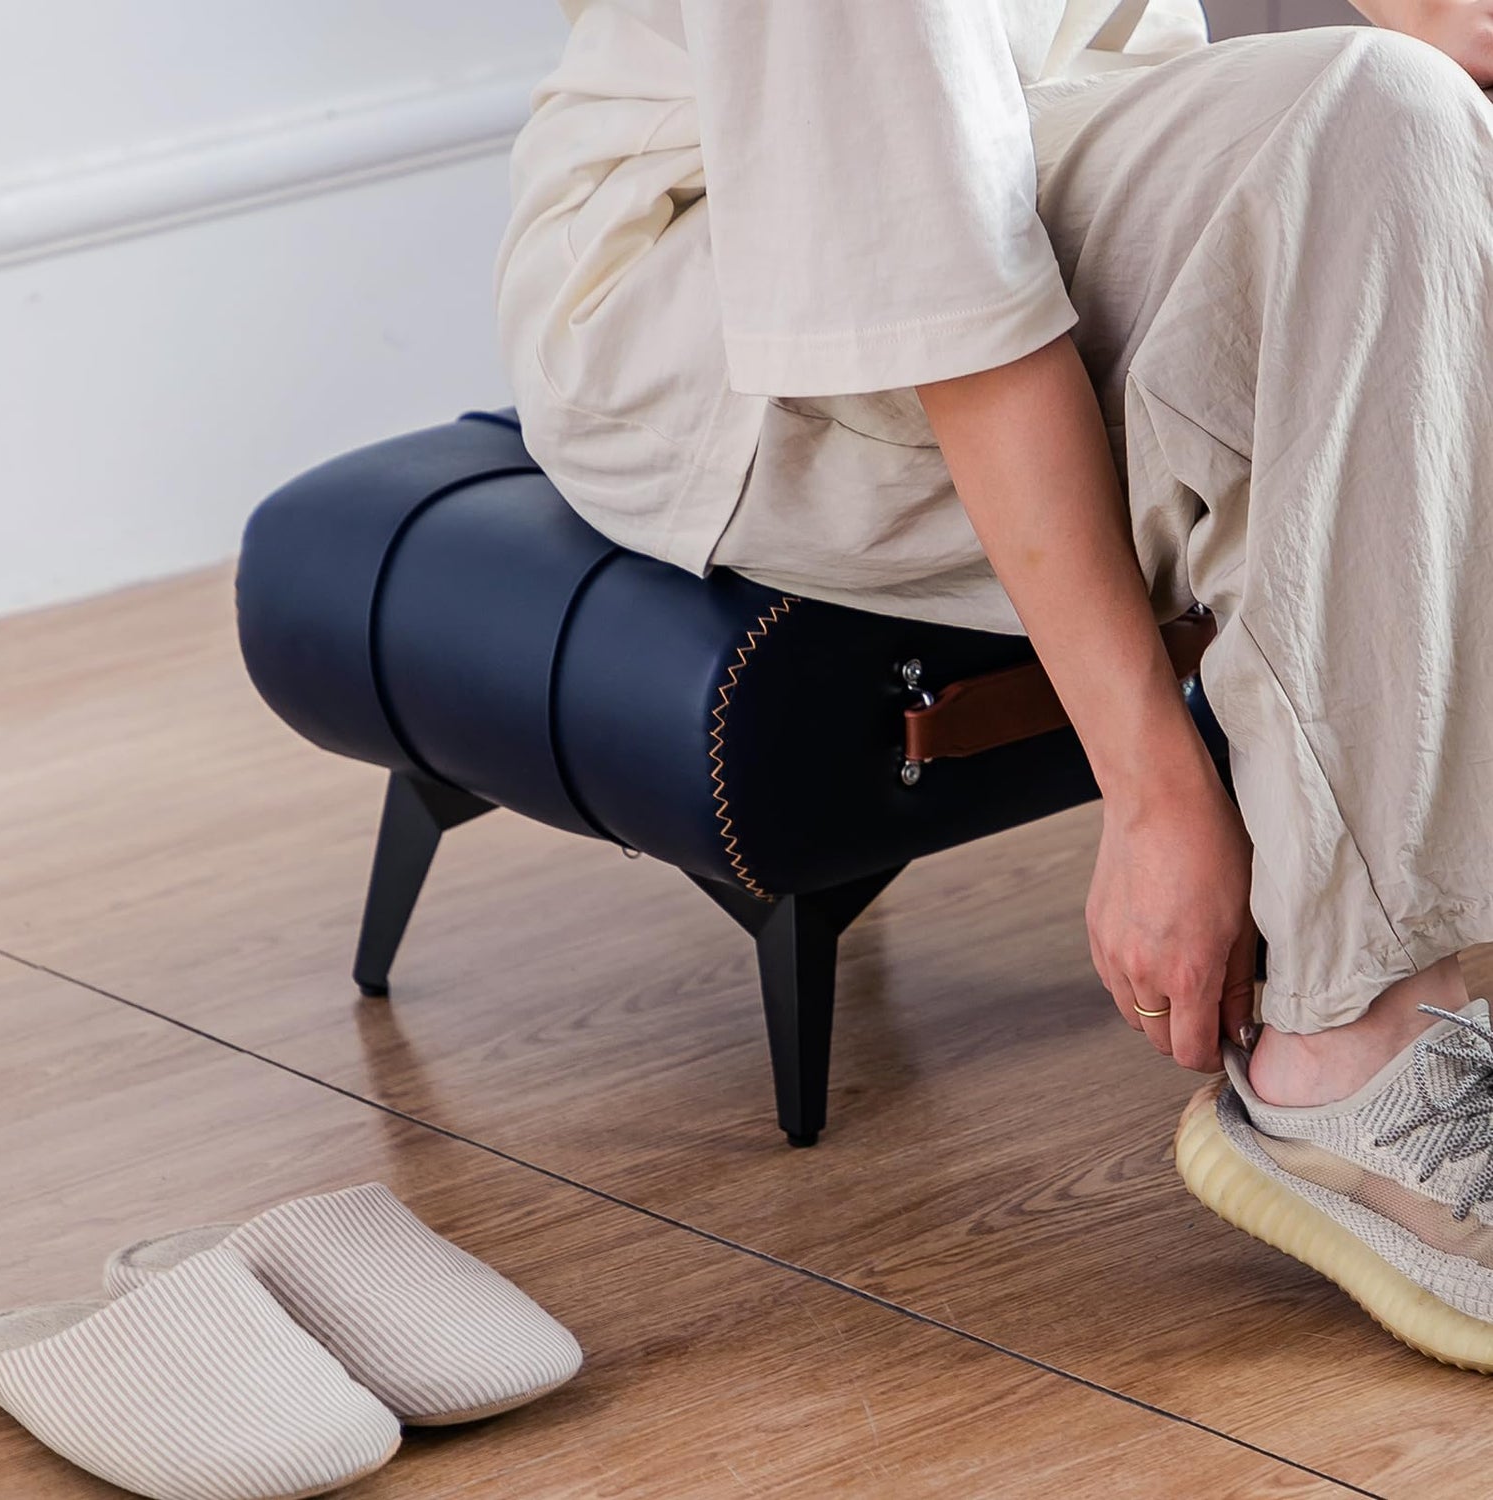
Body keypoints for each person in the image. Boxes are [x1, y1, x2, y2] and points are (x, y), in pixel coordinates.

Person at [496, 0, 1493, 1367]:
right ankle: (1347, 1044)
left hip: (1048, 127)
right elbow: (949, 299)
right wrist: (1153, 791)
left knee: (1418, 116)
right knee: (1386, 117)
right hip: (727, 308)